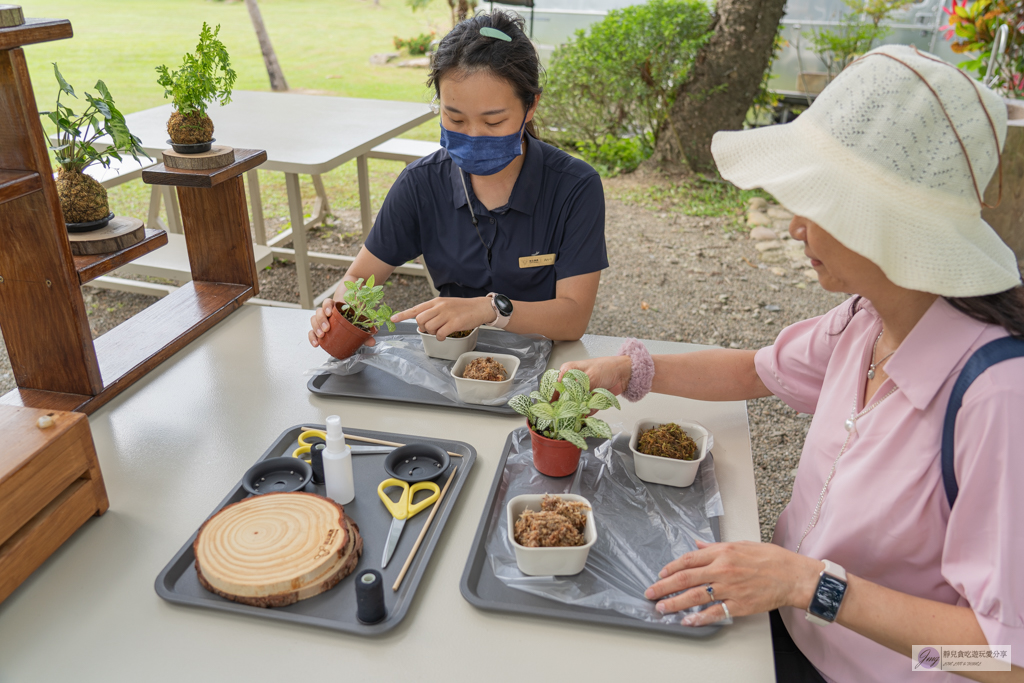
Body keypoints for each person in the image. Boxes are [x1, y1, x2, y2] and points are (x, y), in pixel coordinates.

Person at [560, 45, 1024, 682]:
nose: (796, 226)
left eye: (819, 203)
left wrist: (815, 587)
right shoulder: (866, 320)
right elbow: (757, 370)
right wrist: (632, 370)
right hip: (777, 624)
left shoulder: (997, 396)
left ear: (888, 226)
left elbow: (1002, 659)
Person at [308, 11, 607, 349]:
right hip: (449, 358)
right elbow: (360, 278)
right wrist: (344, 316)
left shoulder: (575, 188)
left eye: (493, 122)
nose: (474, 135)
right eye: (455, 117)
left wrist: (490, 310)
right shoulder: (421, 184)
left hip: (544, 361)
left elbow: (573, 317)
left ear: (530, 107)